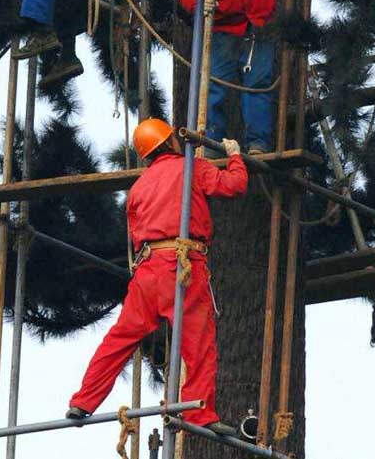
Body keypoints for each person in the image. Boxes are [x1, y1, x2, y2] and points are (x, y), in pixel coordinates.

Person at [66, 118, 248, 435]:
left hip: (147, 269)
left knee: (120, 339)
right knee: (199, 344)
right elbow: (234, 186)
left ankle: (83, 400)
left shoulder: (140, 186)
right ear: (171, 142)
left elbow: (136, 232)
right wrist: (235, 157)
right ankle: (197, 414)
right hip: (182, 264)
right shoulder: (192, 168)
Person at [179, 0, 276, 154]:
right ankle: (211, 144)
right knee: (213, 86)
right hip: (224, 27)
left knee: (258, 85)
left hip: (258, 21)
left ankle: (258, 144)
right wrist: (198, 4)